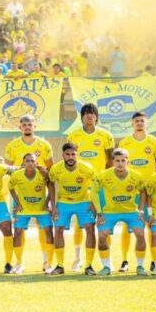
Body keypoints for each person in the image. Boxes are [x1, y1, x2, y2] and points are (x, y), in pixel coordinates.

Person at [67, 103, 114, 272]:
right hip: (80, 186)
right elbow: (70, 159)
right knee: (82, 224)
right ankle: (78, 258)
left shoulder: (106, 135)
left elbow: (110, 162)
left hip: (100, 186)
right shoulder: (74, 135)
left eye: (92, 113)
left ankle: (107, 260)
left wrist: (106, 181)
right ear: (81, 117)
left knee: (104, 222)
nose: (89, 116)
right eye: (86, 113)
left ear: (96, 117)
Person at [4, 114, 54, 269]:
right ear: (20, 127)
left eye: (30, 124)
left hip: (40, 194)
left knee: (44, 228)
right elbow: (8, 170)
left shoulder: (44, 144)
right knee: (19, 229)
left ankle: (46, 261)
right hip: (20, 196)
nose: (27, 127)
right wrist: (21, 170)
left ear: (34, 126)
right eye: (24, 124)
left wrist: (40, 171)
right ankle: (20, 263)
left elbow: (50, 170)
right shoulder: (12, 146)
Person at [117, 111, 156, 272]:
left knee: (151, 225)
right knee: (128, 226)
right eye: (136, 121)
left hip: (150, 191)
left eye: (142, 121)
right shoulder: (125, 142)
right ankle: (124, 260)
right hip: (131, 191)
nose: (139, 123)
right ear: (132, 123)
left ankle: (153, 260)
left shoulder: (155, 142)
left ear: (146, 123)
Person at [92, 149, 147, 276]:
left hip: (131, 212)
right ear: (112, 162)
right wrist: (99, 213)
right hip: (110, 212)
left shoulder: (136, 176)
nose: (120, 163)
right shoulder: (103, 176)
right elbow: (94, 192)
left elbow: (143, 192)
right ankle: (106, 267)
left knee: (140, 234)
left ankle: (140, 266)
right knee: (102, 235)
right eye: (117, 161)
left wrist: (141, 211)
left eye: (123, 160)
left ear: (128, 161)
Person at [48, 143, 97, 275]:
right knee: (58, 230)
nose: (70, 157)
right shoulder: (56, 169)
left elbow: (96, 185)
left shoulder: (87, 168)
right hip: (64, 203)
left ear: (77, 155)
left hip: (84, 202)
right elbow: (50, 183)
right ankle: (60, 265)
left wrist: (94, 203)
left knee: (90, 229)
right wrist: (53, 205)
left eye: (73, 154)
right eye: (67, 154)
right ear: (63, 155)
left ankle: (89, 266)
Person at [9, 153, 55, 274]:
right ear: (23, 163)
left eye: (32, 161)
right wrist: (17, 203)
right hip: (24, 210)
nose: (30, 163)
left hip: (41, 209)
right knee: (17, 233)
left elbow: (51, 187)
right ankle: (20, 264)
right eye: (27, 161)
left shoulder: (43, 174)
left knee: (49, 232)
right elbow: (11, 188)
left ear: (36, 163)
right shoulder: (16, 175)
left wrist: (48, 202)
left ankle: (49, 264)